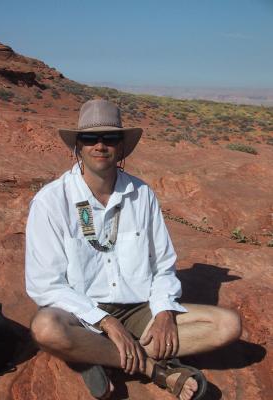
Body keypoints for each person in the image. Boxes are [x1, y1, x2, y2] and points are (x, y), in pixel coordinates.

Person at [25, 99, 241, 400]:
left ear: (121, 146)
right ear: (77, 145)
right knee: (45, 328)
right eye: (90, 138)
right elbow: (45, 284)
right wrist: (105, 321)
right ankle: (157, 370)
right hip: (82, 311)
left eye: (109, 138)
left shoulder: (142, 195)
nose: (100, 145)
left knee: (227, 325)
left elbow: (163, 264)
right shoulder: (51, 202)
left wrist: (164, 311)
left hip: (139, 307)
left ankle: (93, 356)